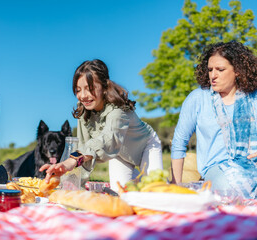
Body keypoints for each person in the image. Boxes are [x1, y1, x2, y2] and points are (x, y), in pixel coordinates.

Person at [40, 59, 163, 191]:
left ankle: (147, 182)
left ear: (104, 87)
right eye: (78, 90)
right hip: (119, 153)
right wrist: (75, 186)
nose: (83, 96)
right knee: (121, 193)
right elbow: (85, 145)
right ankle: (138, 182)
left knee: (156, 191)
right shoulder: (83, 109)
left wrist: (72, 160)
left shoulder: (118, 112)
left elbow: (107, 140)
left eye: (89, 89)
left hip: (146, 146)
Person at [171, 41, 257, 199]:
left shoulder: (253, 97)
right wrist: (175, 184)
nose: (213, 75)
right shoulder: (198, 98)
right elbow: (179, 142)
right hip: (217, 170)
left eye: (220, 70)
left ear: (238, 71)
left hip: (253, 165)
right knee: (229, 186)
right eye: (210, 70)